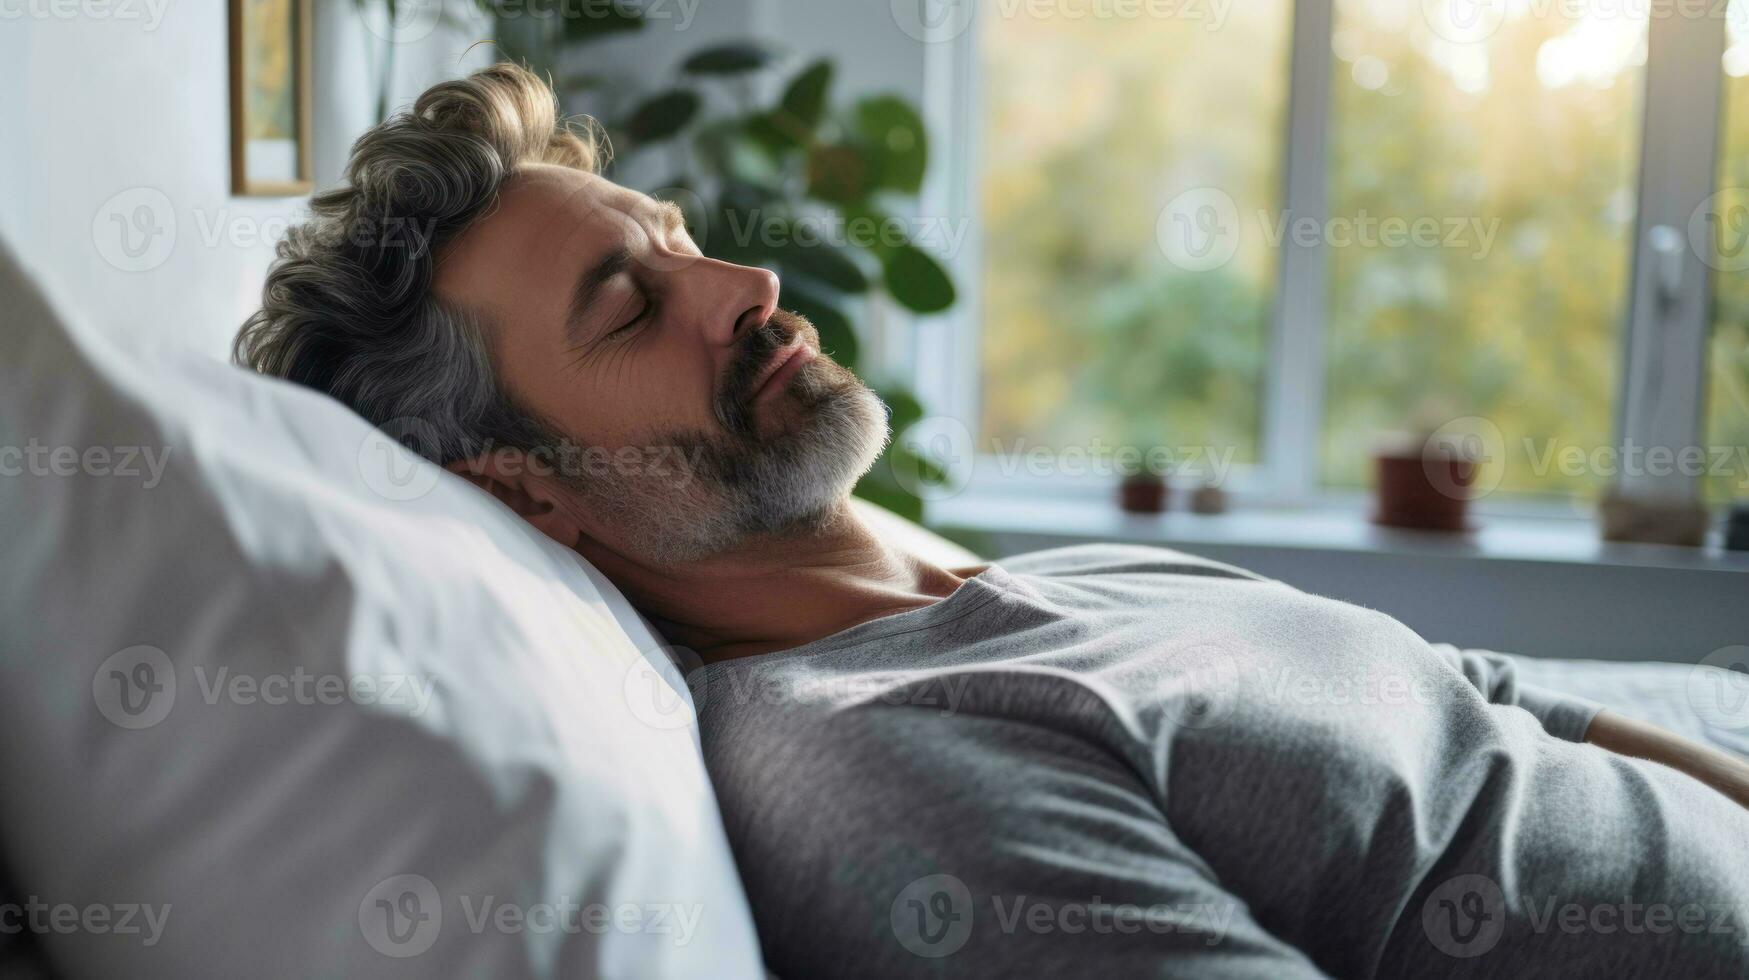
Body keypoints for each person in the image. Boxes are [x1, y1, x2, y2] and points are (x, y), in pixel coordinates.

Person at [237, 63, 1749, 977]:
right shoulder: (870, 765)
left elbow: (1496, 700)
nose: (746, 288)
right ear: (529, 488)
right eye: (631, 308)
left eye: (682, 245)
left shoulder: (1027, 578)